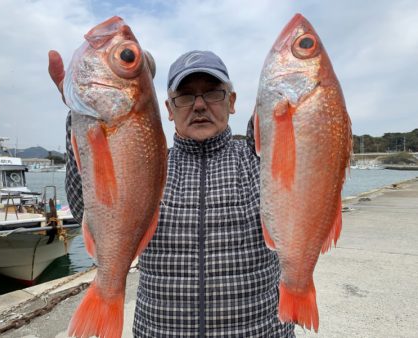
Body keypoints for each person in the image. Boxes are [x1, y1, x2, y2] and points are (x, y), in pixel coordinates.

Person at [49, 50, 295, 337]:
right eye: (186, 96)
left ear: (232, 102)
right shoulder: (147, 168)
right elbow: (85, 209)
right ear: (168, 108)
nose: (200, 105)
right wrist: (83, 113)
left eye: (213, 93)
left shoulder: (259, 162)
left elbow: (290, 118)